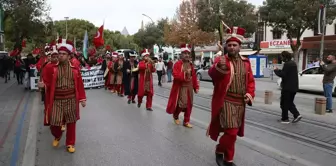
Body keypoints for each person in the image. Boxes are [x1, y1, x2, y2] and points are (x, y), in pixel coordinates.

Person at [207, 27, 255, 166]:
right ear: (226, 47)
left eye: (235, 45)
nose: (232, 47)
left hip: (240, 102)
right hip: (226, 101)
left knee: (232, 133)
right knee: (232, 132)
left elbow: (251, 81)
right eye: (229, 45)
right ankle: (219, 149)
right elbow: (212, 75)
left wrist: (249, 93)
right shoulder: (221, 60)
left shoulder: (246, 62)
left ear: (239, 47)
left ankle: (228, 160)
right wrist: (220, 68)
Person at [39, 39, 86, 153]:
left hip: (71, 99)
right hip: (57, 100)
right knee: (54, 123)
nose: (60, 56)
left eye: (63, 54)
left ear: (69, 56)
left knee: (71, 122)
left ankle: (70, 143)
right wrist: (43, 85)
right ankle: (57, 135)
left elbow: (79, 84)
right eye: (59, 54)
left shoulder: (75, 69)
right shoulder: (52, 68)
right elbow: (48, 83)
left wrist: (82, 99)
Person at [166, 44, 199, 128]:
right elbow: (175, 75)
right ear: (181, 55)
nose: (187, 55)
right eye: (185, 53)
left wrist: (196, 87)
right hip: (181, 87)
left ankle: (186, 121)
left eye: (188, 53)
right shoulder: (177, 64)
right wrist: (185, 73)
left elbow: (194, 77)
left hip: (189, 87)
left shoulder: (191, 65)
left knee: (189, 104)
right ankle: (176, 115)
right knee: (181, 104)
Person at [274, 51, 302, 123]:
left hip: (287, 87)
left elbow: (283, 74)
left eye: (282, 56)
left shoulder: (287, 64)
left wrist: (276, 71)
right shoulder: (293, 63)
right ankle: (296, 115)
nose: (281, 58)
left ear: (285, 57)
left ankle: (285, 118)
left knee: (284, 103)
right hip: (294, 87)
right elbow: (287, 73)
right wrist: (279, 70)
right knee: (289, 102)